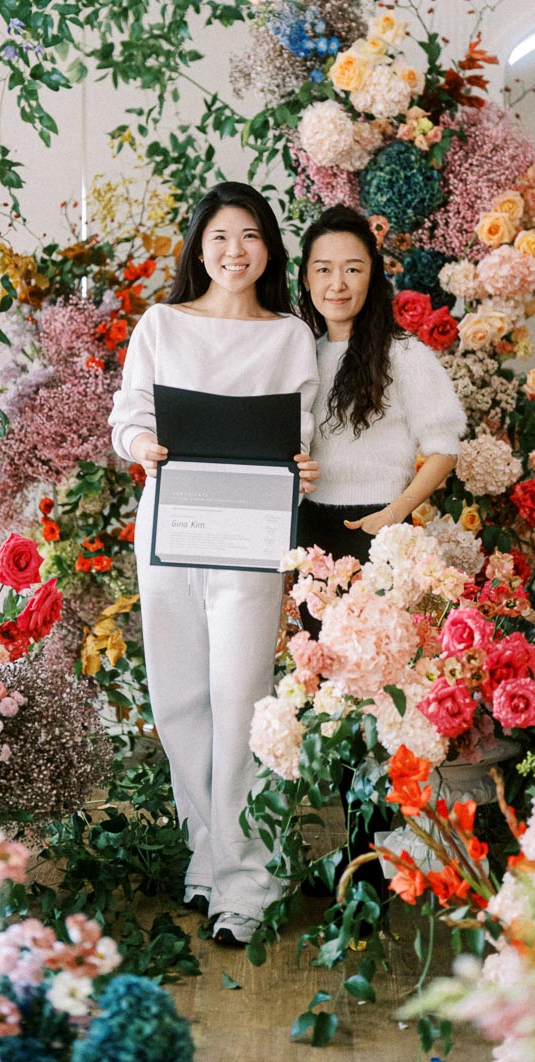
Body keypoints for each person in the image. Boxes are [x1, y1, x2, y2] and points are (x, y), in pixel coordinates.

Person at [109, 180, 319, 947]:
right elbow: (128, 413)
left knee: (240, 702)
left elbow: (305, 433)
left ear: (270, 250)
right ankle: (210, 856)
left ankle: (247, 883)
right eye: (221, 237)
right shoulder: (161, 324)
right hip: (170, 525)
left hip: (253, 536)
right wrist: (140, 446)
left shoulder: (290, 335)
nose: (236, 251)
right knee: (180, 703)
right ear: (200, 248)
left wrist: (307, 469)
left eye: (251, 236)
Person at [296, 204, 466, 897]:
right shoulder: (293, 351)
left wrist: (393, 514)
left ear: (374, 278)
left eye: (352, 269)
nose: (337, 283)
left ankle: (380, 859)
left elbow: (444, 449)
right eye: (323, 268)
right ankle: (353, 852)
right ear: (304, 276)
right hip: (310, 541)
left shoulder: (404, 356)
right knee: (327, 696)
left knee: (381, 701)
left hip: (378, 542)